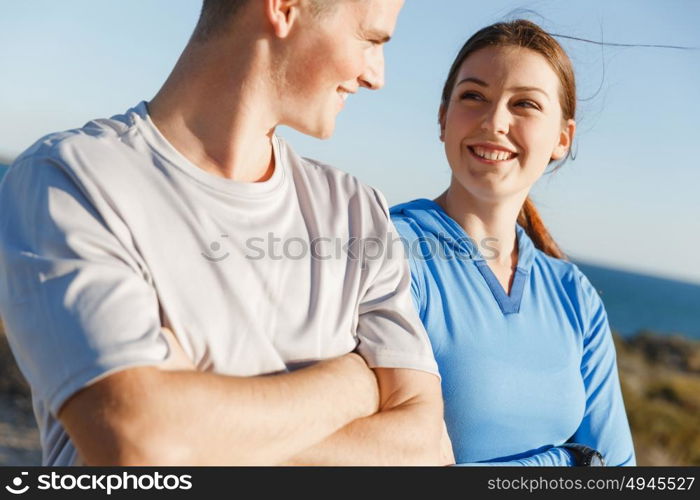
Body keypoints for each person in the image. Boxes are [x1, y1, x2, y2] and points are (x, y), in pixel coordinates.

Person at [0, 0, 453, 466]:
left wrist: (199, 426)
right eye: (371, 40)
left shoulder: (358, 212)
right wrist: (355, 384)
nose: (377, 76)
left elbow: (423, 447)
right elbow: (139, 443)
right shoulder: (71, 180)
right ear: (284, 8)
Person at [390, 20, 635, 466]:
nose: (494, 121)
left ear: (563, 138)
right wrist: (568, 462)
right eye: (473, 96)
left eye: (524, 104)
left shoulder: (573, 294)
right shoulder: (390, 252)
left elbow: (618, 472)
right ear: (443, 118)